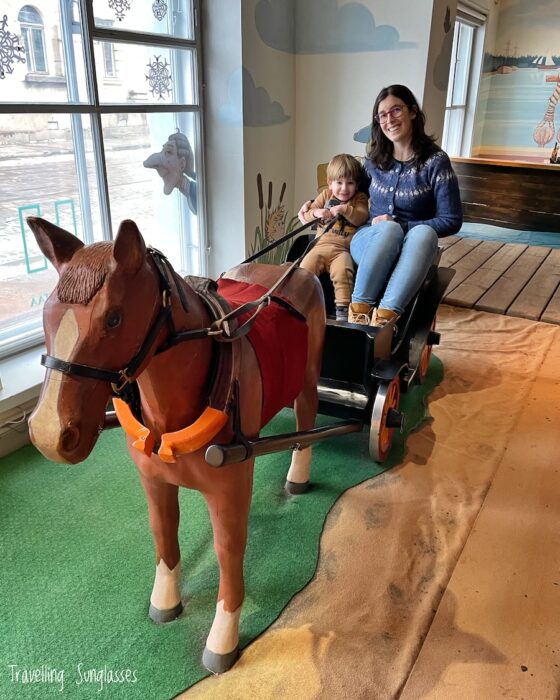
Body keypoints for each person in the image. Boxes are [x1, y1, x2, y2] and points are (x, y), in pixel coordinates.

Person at [300, 84, 463, 326]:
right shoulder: (373, 162)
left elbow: (451, 220)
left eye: (396, 110)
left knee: (421, 233)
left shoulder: (436, 162)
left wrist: (403, 224)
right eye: (382, 115)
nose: (389, 119)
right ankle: (359, 311)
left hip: (413, 248)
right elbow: (347, 192)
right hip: (369, 241)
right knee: (388, 230)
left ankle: (383, 320)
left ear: (413, 112)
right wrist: (313, 207)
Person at [299, 154, 369, 320]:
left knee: (343, 272)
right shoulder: (325, 195)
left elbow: (362, 216)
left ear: (357, 184)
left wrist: (346, 210)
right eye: (339, 182)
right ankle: (301, 305)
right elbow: (307, 214)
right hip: (319, 247)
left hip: (342, 250)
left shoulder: (359, 198)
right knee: (304, 271)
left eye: (350, 183)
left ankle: (342, 312)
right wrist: (317, 212)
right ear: (330, 183)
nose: (344, 188)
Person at [143, 130, 197, 214]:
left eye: (168, 152)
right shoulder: (190, 193)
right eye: (162, 151)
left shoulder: (196, 194)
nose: (158, 166)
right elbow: (147, 163)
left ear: (182, 164)